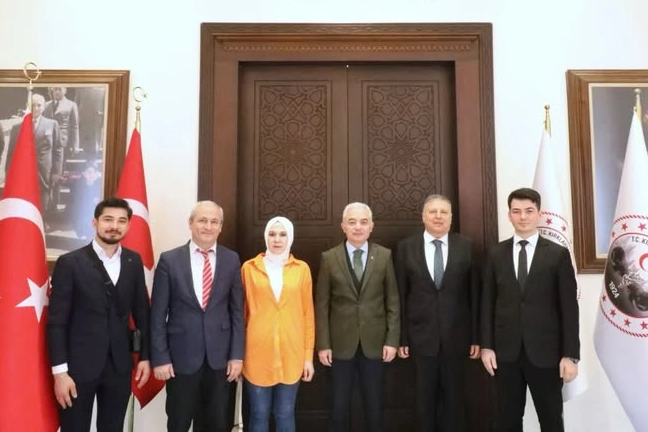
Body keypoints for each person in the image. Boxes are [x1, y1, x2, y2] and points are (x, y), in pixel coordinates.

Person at [46, 197, 151, 432]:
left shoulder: (133, 261)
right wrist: (60, 374)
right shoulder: (70, 263)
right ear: (95, 223)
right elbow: (57, 322)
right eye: (108, 219)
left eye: (121, 221)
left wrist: (145, 356)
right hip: (77, 367)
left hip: (119, 366)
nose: (114, 226)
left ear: (128, 225)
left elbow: (142, 312)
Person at [480, 187, 579, 432]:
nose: (522, 217)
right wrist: (486, 346)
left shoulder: (557, 254)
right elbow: (487, 302)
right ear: (509, 215)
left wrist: (570, 355)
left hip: (547, 353)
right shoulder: (495, 254)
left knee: (551, 419)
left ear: (539, 214)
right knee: (507, 420)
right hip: (505, 353)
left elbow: (569, 308)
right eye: (516, 211)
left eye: (528, 211)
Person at [150, 200, 245, 432]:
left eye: (214, 222)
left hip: (220, 361)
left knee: (216, 424)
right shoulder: (170, 260)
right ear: (191, 223)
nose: (208, 226)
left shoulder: (231, 260)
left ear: (220, 227)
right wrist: (160, 357)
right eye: (202, 220)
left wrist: (236, 355)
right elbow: (158, 314)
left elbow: (236, 312)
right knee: (179, 423)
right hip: (180, 359)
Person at [395, 194, 480, 432]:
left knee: (455, 401)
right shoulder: (405, 248)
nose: (438, 216)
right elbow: (400, 295)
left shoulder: (467, 247)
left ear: (451, 217)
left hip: (458, 338)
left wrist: (476, 337)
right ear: (423, 216)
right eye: (433, 212)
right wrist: (402, 338)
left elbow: (475, 296)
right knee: (423, 401)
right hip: (419, 339)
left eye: (444, 212)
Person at [315, 202, 400, 432]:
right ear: (343, 226)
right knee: (338, 406)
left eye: (363, 222)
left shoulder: (384, 256)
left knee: (374, 407)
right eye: (352, 222)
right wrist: (323, 345)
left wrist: (392, 341)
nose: (358, 227)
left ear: (371, 226)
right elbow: (322, 305)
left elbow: (392, 301)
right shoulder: (329, 258)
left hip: (376, 344)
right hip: (339, 345)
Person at [241, 216, 315, 432]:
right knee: (259, 413)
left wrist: (308, 357)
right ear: (266, 236)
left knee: (285, 413)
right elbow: (240, 315)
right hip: (256, 354)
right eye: (272, 234)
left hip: (292, 354)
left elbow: (307, 315)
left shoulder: (301, 269)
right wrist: (236, 355)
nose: (277, 239)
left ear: (290, 237)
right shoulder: (249, 268)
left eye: (282, 234)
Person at [5, 93, 62, 211]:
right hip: (23, 173)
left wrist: (56, 172)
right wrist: (9, 174)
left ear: (44, 107)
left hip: (44, 173)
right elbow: (11, 153)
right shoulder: (17, 127)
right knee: (25, 206)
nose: (36, 108)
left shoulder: (52, 125)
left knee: (43, 205)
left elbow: (58, 150)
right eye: (33, 105)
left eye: (39, 105)